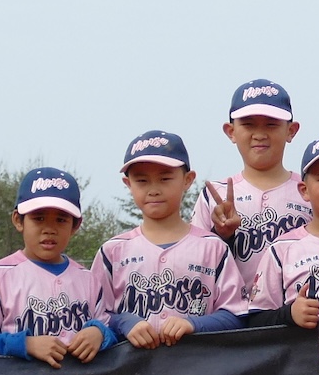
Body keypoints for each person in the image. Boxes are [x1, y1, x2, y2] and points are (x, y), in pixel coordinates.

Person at [92, 132, 247, 349]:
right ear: (128, 184)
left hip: (198, 366)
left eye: (165, 179)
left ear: (188, 180)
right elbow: (94, 316)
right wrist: (124, 322)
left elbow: (236, 315)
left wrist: (194, 324)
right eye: (142, 180)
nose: (154, 190)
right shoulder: (112, 251)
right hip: (131, 368)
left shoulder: (213, 247)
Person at [0, 167, 114, 364]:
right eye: (38, 218)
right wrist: (24, 344)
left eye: (61, 220)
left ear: (75, 225)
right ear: (18, 220)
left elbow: (109, 328)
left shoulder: (88, 279)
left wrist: (99, 333)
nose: (49, 229)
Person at [193, 79, 311, 301]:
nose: (259, 134)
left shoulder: (310, 192)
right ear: (231, 131)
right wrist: (222, 234)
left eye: (271, 124)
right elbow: (196, 267)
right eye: (248, 125)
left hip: (297, 315)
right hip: (231, 315)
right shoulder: (214, 195)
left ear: (291, 131)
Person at [240, 134, 319, 330]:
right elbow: (256, 320)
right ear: (304, 190)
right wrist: (290, 314)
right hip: (306, 349)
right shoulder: (283, 249)